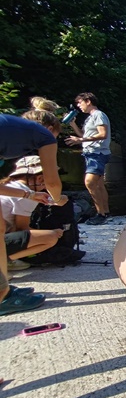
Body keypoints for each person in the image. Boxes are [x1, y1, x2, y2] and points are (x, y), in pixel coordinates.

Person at [0, 111, 67, 316]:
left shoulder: (10, 134)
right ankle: (2, 297)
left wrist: (28, 195)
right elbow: (52, 182)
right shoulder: (43, 136)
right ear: (50, 130)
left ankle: (4, 290)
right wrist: (57, 199)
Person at [1, 156, 66, 271]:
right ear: (40, 178)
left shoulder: (9, 187)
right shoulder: (28, 196)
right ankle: (5, 261)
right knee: (50, 238)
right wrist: (54, 232)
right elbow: (22, 229)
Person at [65, 92, 111, 225]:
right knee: (99, 184)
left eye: (80, 102)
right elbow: (84, 134)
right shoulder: (90, 117)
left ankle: (100, 214)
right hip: (91, 153)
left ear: (88, 101)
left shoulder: (98, 115)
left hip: (97, 153)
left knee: (90, 183)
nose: (78, 106)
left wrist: (80, 139)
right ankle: (105, 212)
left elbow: (103, 134)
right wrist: (73, 125)